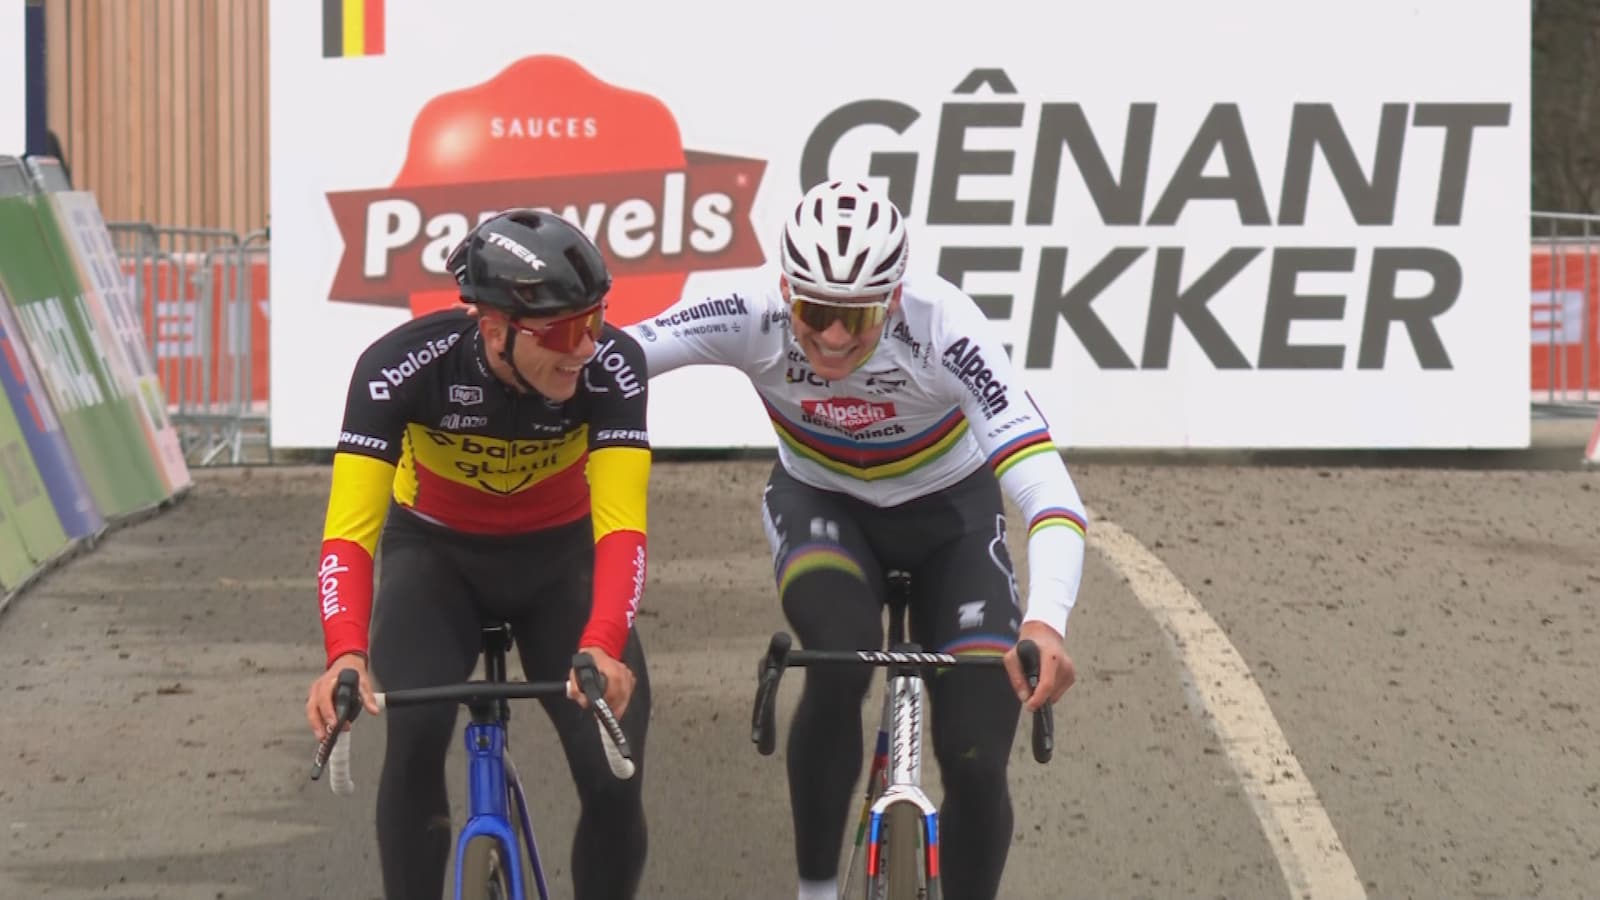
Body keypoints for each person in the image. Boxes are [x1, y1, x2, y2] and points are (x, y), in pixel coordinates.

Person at [624, 180, 1087, 900]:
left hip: (950, 521)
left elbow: (1048, 490)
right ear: (785, 289)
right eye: (814, 312)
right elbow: (619, 358)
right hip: (822, 502)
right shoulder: (750, 310)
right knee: (836, 660)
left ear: (895, 298)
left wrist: (1046, 622)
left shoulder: (946, 328)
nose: (834, 337)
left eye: (858, 315)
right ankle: (815, 891)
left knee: (973, 754)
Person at [303, 209, 653, 900]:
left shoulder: (614, 366)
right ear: (493, 328)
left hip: (561, 563)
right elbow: (348, 532)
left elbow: (621, 528)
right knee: (415, 738)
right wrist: (344, 654)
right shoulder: (399, 367)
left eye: (596, 321)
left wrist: (605, 642)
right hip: (436, 561)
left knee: (616, 775)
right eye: (560, 332)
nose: (583, 348)